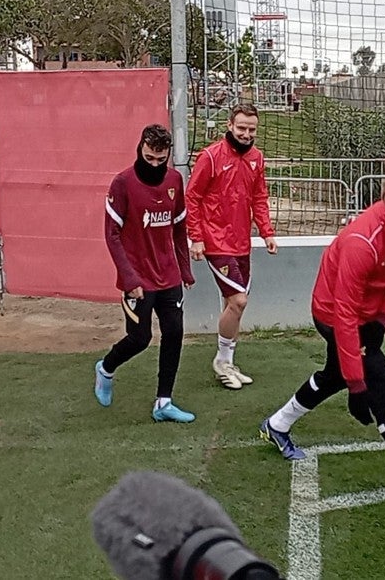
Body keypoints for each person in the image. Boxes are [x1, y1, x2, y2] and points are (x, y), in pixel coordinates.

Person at [258, 154, 385, 518]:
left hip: (367, 315)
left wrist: (382, 321)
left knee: (333, 375)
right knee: (382, 383)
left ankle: (276, 425)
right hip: (333, 312)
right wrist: (358, 387)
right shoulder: (362, 241)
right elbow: (343, 315)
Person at [93, 124, 197, 423]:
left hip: (169, 275)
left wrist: (185, 270)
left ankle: (163, 402)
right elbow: (111, 235)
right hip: (137, 277)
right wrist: (129, 278)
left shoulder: (175, 180)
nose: (154, 164)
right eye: (149, 157)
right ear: (140, 149)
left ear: (167, 156)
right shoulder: (122, 183)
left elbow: (179, 229)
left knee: (174, 333)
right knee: (139, 339)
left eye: (160, 159)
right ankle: (106, 368)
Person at [184, 103, 278, 390]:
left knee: (232, 304)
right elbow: (192, 197)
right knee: (239, 301)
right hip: (215, 240)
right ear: (229, 125)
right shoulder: (210, 157)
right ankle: (222, 360)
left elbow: (259, 197)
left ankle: (228, 362)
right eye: (242, 128)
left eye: (252, 129)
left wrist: (267, 232)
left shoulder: (256, 158)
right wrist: (196, 236)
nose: (247, 134)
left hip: (241, 242)